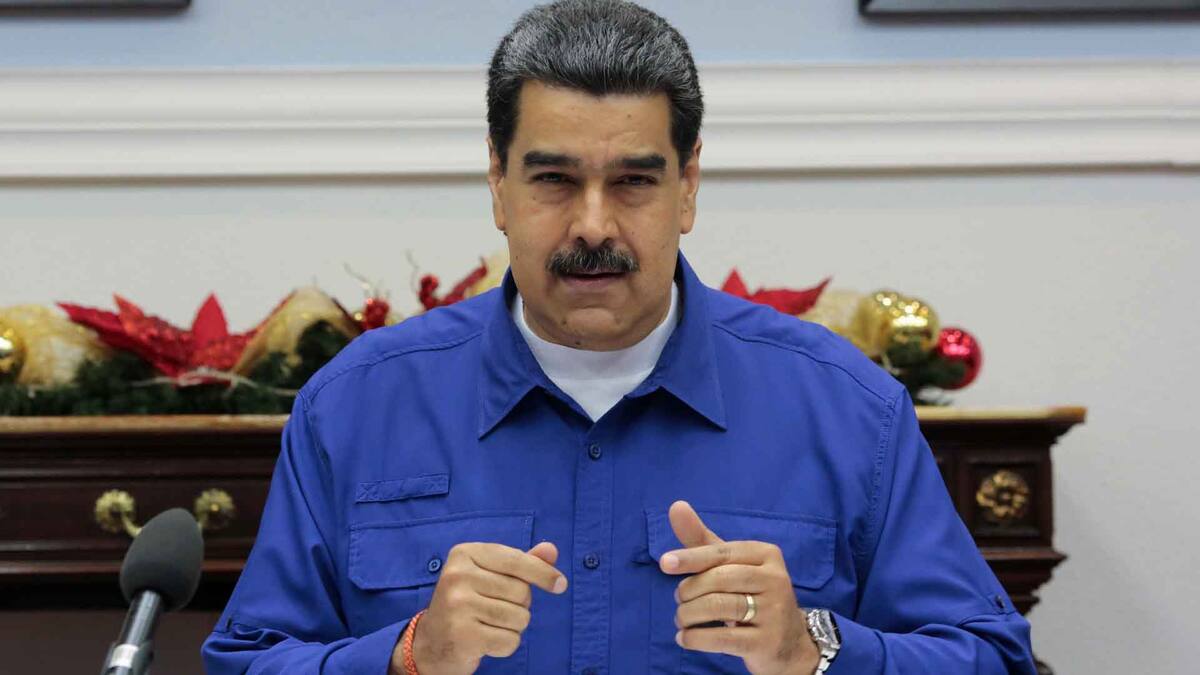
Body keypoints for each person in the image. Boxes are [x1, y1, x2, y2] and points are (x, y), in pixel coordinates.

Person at [202, 1, 1036, 673]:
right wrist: (406, 655)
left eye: (634, 181)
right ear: (497, 182)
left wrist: (812, 647)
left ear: (688, 185)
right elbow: (248, 659)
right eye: (554, 179)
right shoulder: (356, 406)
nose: (594, 225)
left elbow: (995, 656)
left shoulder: (846, 410)